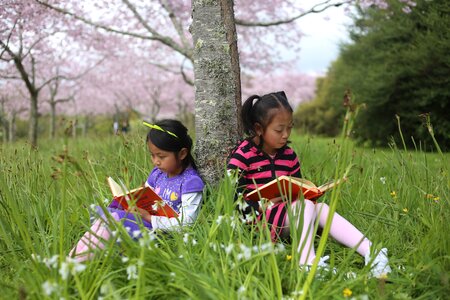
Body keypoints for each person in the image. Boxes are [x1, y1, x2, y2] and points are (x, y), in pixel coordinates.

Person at [226, 91, 391, 278]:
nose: (285, 135)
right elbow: (232, 195)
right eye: (279, 130)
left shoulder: (288, 156)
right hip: (256, 221)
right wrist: (267, 203)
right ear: (258, 129)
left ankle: (373, 252)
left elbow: (297, 187)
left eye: (290, 128)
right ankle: (307, 261)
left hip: (289, 217)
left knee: (320, 207)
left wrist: (309, 193)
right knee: (304, 205)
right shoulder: (244, 154)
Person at [69, 119, 204, 262]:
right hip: (145, 221)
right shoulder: (158, 173)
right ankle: (75, 256)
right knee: (104, 212)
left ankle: (79, 262)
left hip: (162, 233)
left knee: (114, 220)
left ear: (182, 154)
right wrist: (128, 201)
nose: (156, 161)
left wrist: (149, 218)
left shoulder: (190, 182)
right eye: (152, 155)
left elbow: (188, 222)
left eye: (162, 156)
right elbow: (145, 195)